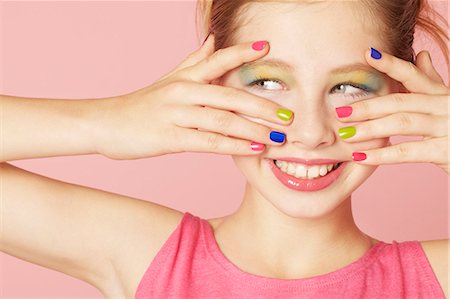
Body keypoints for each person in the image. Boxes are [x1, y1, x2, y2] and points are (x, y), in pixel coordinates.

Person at [1, 0, 449, 298]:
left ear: (402, 93)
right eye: (268, 82)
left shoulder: (433, 280)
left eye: (349, 87)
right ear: (215, 84)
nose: (311, 132)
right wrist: (105, 121)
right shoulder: (149, 255)